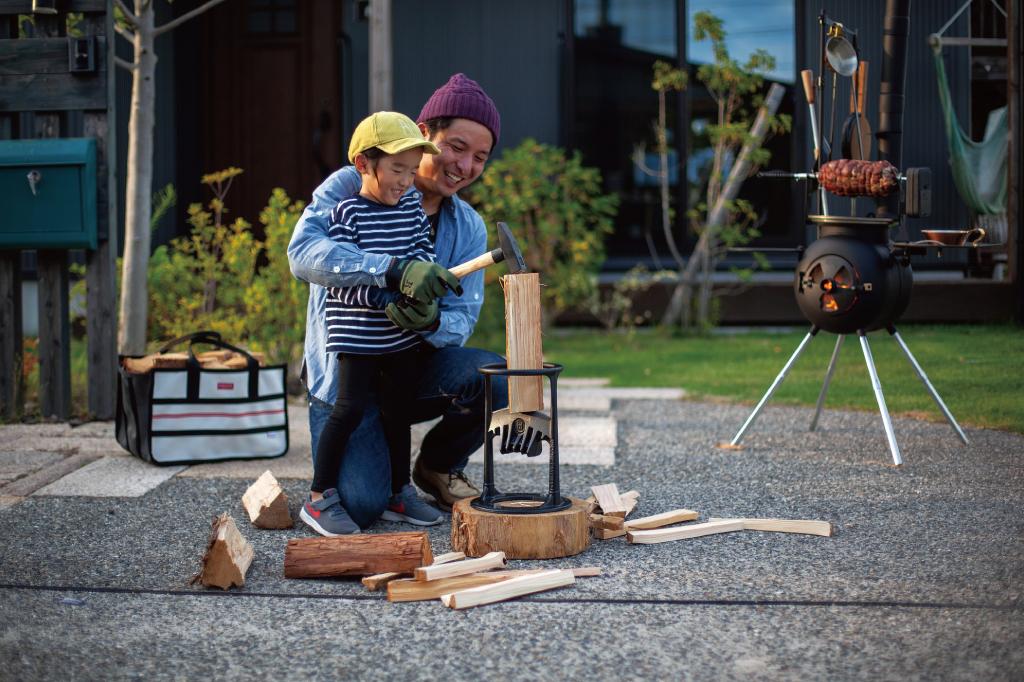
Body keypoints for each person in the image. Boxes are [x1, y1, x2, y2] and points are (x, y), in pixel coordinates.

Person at [288, 73, 508, 532]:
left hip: (406, 367)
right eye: (457, 147)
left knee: (497, 377)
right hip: (348, 371)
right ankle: (334, 490)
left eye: (480, 158)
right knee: (362, 507)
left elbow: (461, 319)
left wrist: (430, 321)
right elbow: (303, 255)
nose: (464, 166)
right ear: (424, 136)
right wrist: (391, 270)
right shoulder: (352, 185)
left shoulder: (467, 227)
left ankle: (436, 467)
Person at [299, 111, 456, 537]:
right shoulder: (346, 212)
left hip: (399, 335)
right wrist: (390, 295)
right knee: (348, 410)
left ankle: (399, 491)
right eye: (396, 170)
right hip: (357, 335)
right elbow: (343, 285)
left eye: (411, 170)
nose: (406, 181)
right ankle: (319, 498)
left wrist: (425, 282)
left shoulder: (408, 206)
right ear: (364, 165)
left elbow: (421, 250)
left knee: (398, 411)